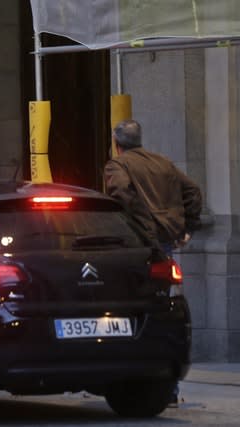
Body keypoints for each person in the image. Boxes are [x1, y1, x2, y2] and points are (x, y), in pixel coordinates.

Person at [104, 119, 202, 408]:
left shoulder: (117, 166)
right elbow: (193, 191)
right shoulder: (163, 163)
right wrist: (187, 227)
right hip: (166, 240)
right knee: (160, 309)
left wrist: (140, 228)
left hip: (140, 245)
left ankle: (128, 379)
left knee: (130, 311)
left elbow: (122, 194)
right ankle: (163, 388)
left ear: (117, 144)